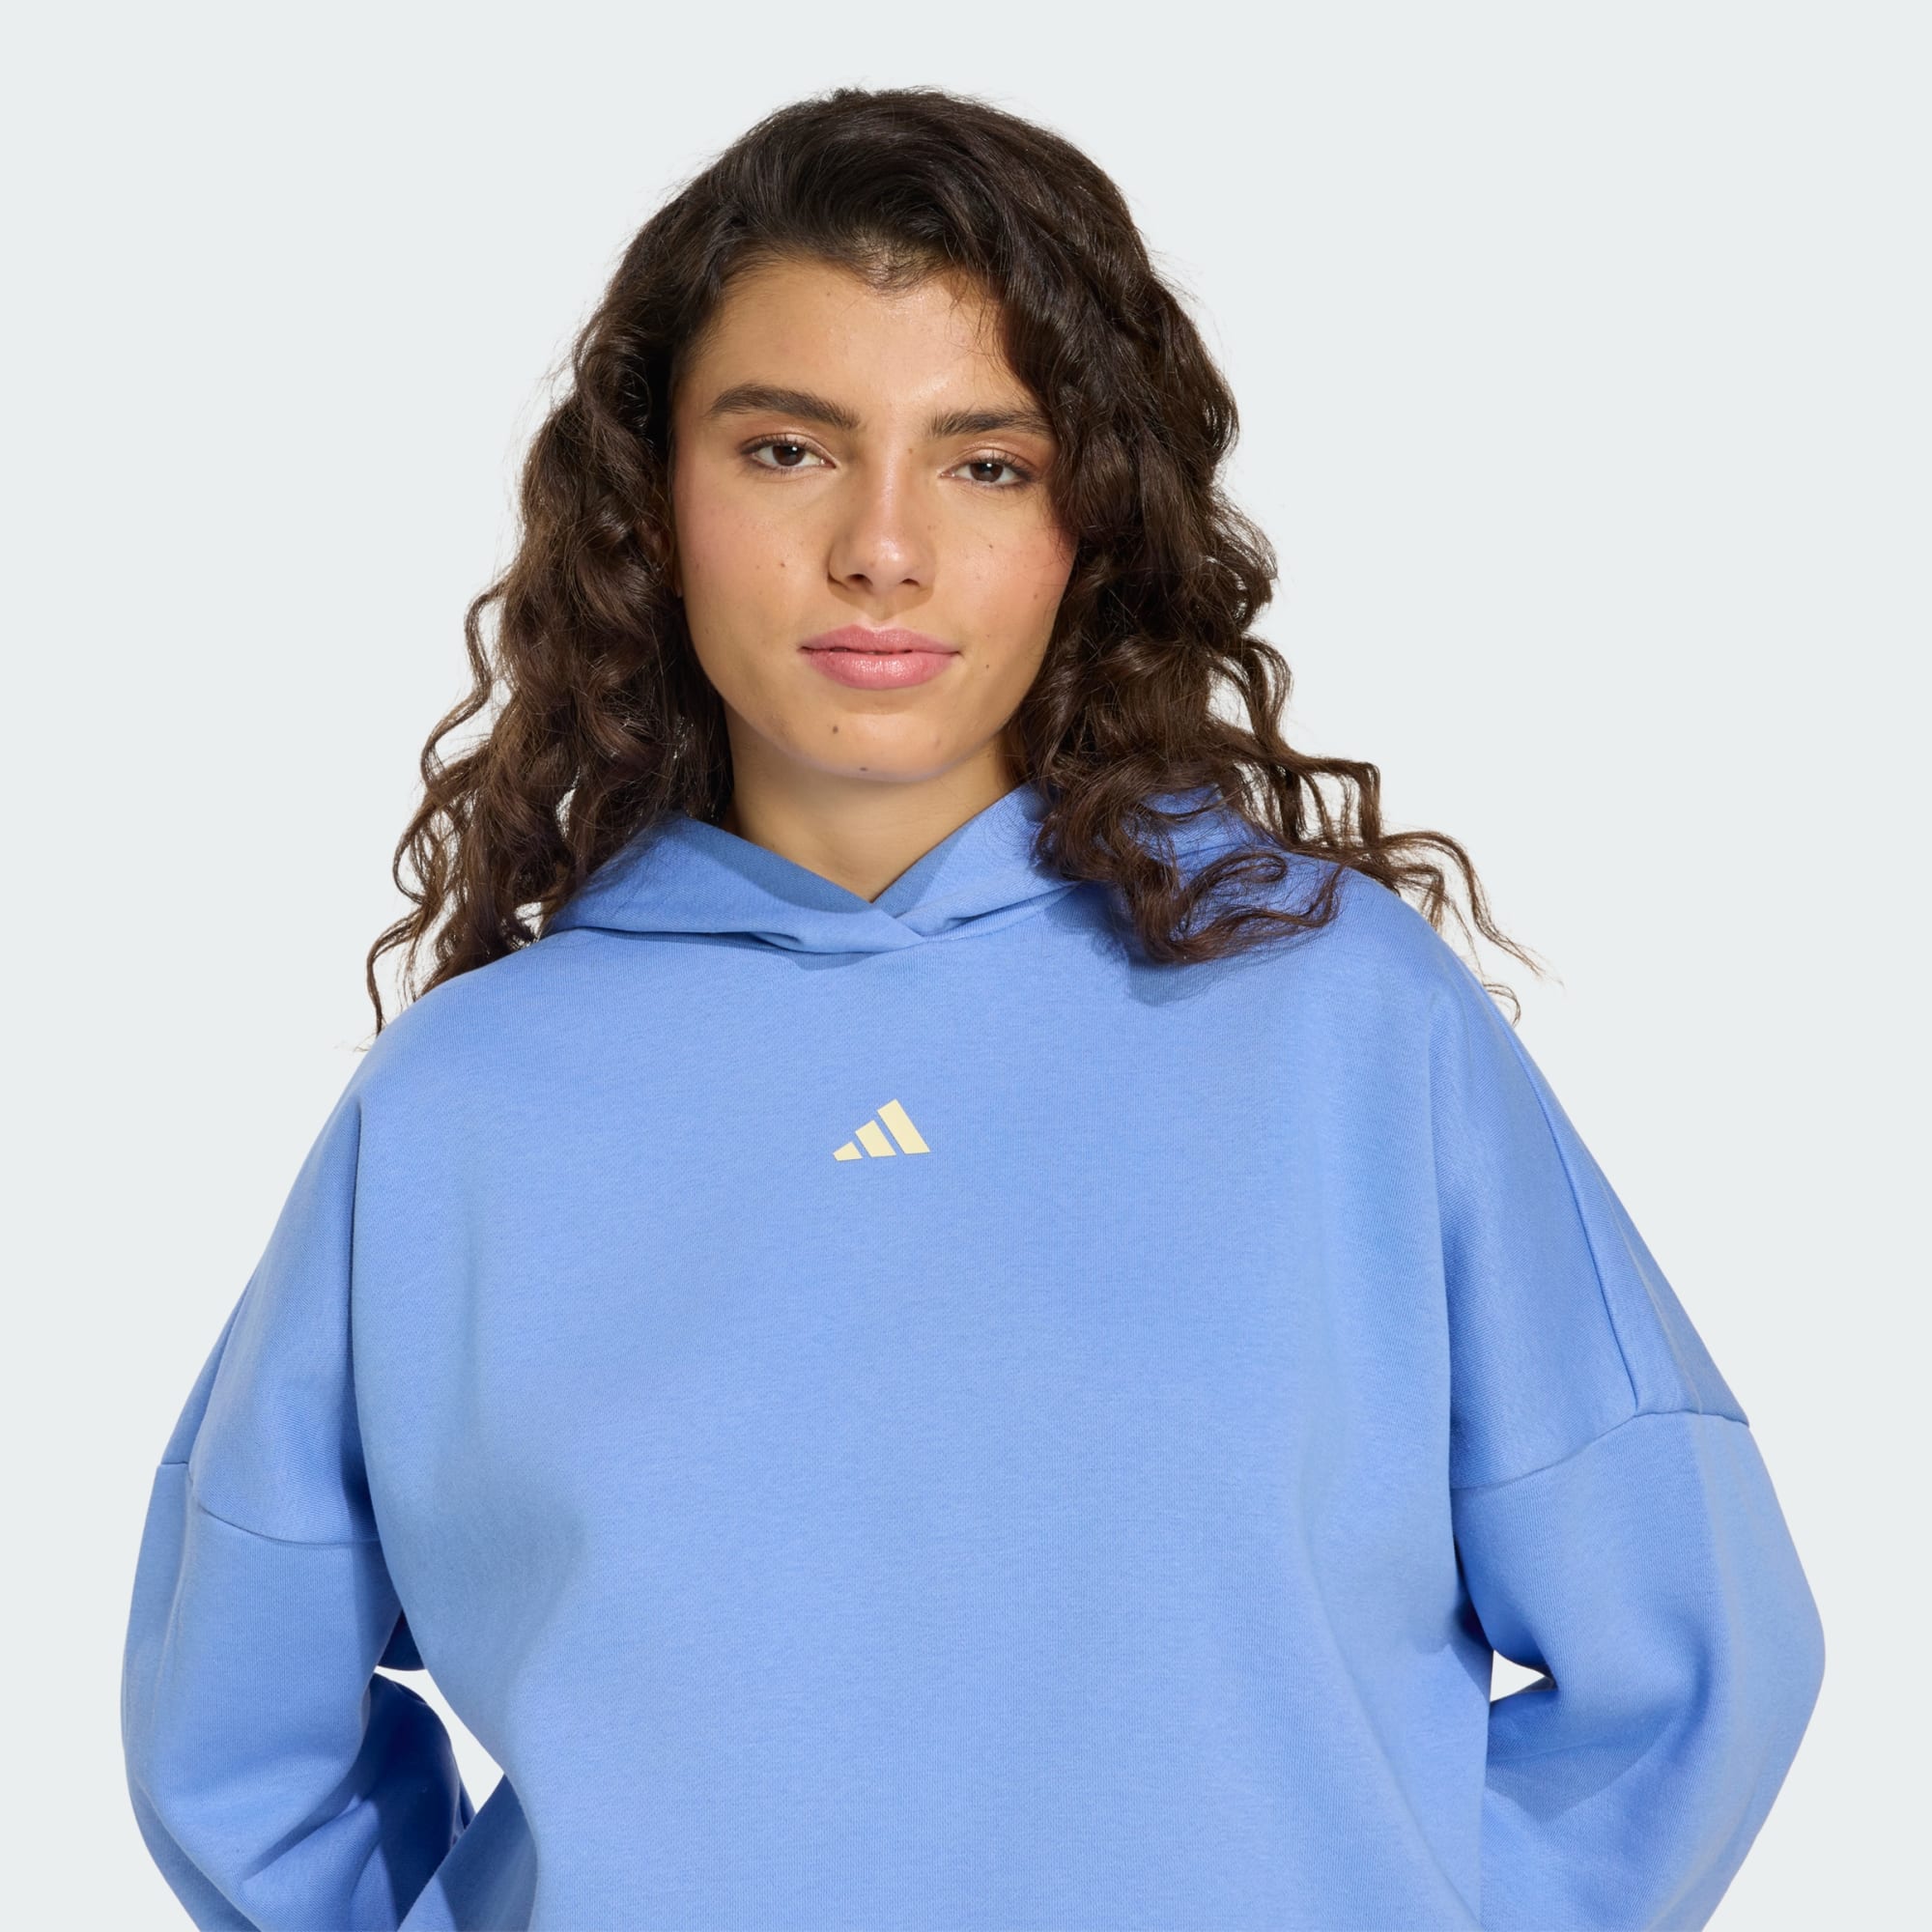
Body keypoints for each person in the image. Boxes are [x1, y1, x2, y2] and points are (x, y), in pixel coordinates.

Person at [120, 84, 1824, 1932]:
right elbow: (244, 1745)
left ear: (1095, 519)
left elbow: (1688, 1669)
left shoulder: (1346, 1029)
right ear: (652, 502)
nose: (883, 548)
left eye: (987, 463)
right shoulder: (463, 1104)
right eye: (787, 449)